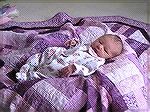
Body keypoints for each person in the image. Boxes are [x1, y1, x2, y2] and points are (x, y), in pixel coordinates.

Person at [16, 34, 123, 81]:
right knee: (49, 51)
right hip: (60, 54)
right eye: (100, 41)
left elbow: (87, 69)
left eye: (105, 50)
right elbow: (79, 46)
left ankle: (30, 76)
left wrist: (74, 68)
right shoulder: (89, 45)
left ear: (109, 57)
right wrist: (73, 43)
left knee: (54, 69)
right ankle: (30, 65)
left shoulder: (97, 61)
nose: (100, 46)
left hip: (65, 65)